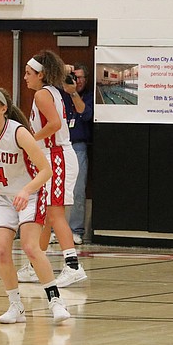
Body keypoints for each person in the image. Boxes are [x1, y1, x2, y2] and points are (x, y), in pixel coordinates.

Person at [0, 87, 71, 324]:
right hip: (1, 197)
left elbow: (46, 170)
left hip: (31, 193)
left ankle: (56, 301)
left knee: (29, 247)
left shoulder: (19, 133)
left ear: (4, 109)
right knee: (2, 251)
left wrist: (26, 190)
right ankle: (15, 306)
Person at [18, 50, 86, 288]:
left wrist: (31, 138)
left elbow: (55, 124)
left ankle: (72, 266)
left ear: (41, 74)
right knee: (46, 215)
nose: (25, 77)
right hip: (53, 157)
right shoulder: (50, 91)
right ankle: (37, 265)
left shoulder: (42, 96)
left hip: (57, 156)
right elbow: (63, 67)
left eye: (28, 73)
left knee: (55, 215)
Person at [62, 63, 94, 246]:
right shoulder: (60, 94)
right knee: (55, 189)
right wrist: (62, 73)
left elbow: (85, 113)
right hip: (60, 145)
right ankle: (51, 230)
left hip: (78, 146)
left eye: (81, 77)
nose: (78, 81)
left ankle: (76, 230)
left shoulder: (88, 97)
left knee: (78, 190)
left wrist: (74, 93)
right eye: (75, 76)